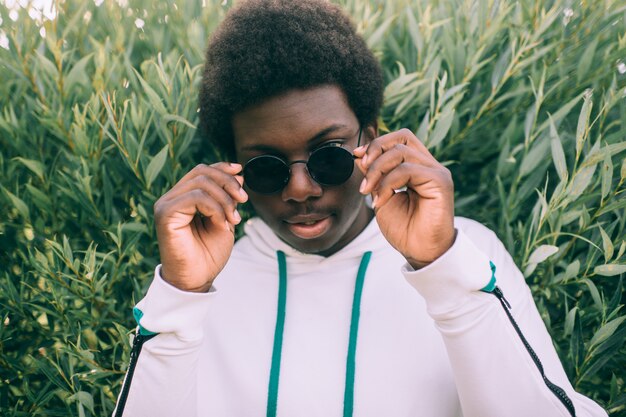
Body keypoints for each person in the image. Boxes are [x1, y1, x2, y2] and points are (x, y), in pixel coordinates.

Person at [113, 1, 607, 416]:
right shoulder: (200, 288)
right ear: (231, 169)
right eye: (267, 167)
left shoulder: (466, 252)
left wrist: (441, 265)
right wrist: (180, 295)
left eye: (328, 156)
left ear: (370, 140)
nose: (302, 188)